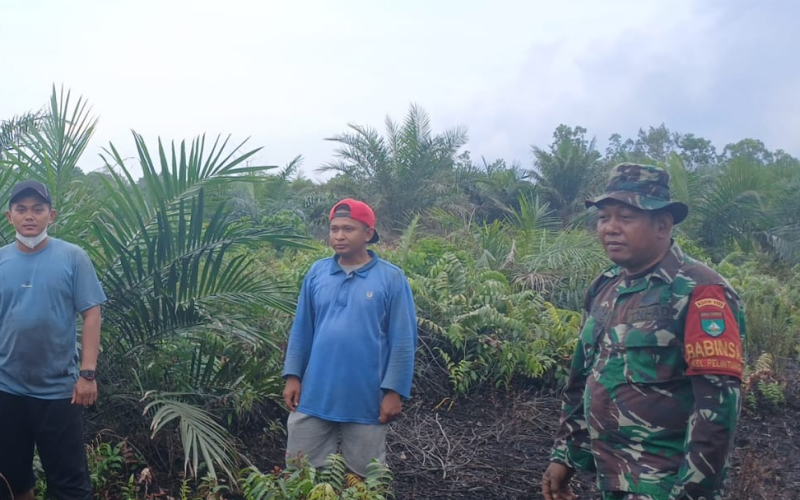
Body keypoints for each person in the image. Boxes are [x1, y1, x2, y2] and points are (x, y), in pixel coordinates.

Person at [542, 164, 746, 500]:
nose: (611, 228)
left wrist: (691, 493)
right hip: (612, 479)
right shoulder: (604, 287)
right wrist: (565, 455)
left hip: (664, 484)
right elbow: (583, 377)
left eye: (625, 216)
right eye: (604, 217)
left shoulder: (701, 292)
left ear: (663, 224)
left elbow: (716, 410)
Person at [282, 198, 417, 476]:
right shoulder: (317, 272)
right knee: (301, 472)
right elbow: (302, 328)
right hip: (314, 394)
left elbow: (403, 340)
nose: (339, 236)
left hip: (367, 400)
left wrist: (394, 392)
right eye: (334, 229)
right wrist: (293, 376)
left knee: (366, 478)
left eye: (348, 229)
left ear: (368, 234)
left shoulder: (391, 279)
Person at [0, 180, 107, 500]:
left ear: (52, 215)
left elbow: (92, 314)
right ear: (10, 216)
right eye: (21, 209)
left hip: (60, 391)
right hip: (6, 389)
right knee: (11, 479)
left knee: (69, 483)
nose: (29, 216)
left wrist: (87, 374)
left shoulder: (73, 258)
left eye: (37, 209)